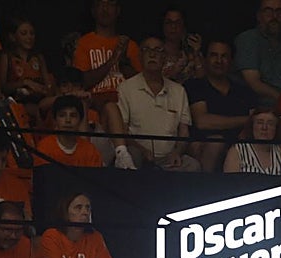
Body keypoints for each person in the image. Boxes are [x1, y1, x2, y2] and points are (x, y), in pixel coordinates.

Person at [108, 36, 199, 170]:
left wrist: (177, 152)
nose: (152, 54)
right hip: (139, 154)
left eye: (158, 50)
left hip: (168, 158)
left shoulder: (178, 91)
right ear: (140, 57)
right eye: (147, 50)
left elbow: (184, 132)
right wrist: (143, 151)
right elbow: (123, 131)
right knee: (133, 156)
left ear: (165, 58)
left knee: (193, 166)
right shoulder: (126, 88)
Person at [186, 41, 257, 172]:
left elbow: (255, 123)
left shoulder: (244, 91)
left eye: (224, 56)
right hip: (203, 148)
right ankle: (205, 188)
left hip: (238, 149)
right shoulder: (195, 86)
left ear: (231, 61)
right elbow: (202, 122)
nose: (219, 60)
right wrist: (246, 120)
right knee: (216, 143)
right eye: (214, 55)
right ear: (205, 58)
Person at [37, 192, 121, 258]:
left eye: (88, 208)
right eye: (78, 208)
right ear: (65, 212)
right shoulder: (51, 235)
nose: (85, 212)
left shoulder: (95, 237)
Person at [234, 0, 281, 107]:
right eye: (268, 11)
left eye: (279, 12)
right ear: (259, 16)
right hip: (255, 109)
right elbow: (253, 83)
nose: (274, 17)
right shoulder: (248, 39)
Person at [72, 0, 140, 105]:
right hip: (94, 109)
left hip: (127, 106)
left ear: (118, 10)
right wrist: (111, 61)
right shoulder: (83, 43)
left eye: (110, 3)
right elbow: (81, 83)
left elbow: (141, 85)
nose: (105, 8)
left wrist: (123, 62)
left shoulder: (129, 45)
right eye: (100, 3)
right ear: (93, 11)